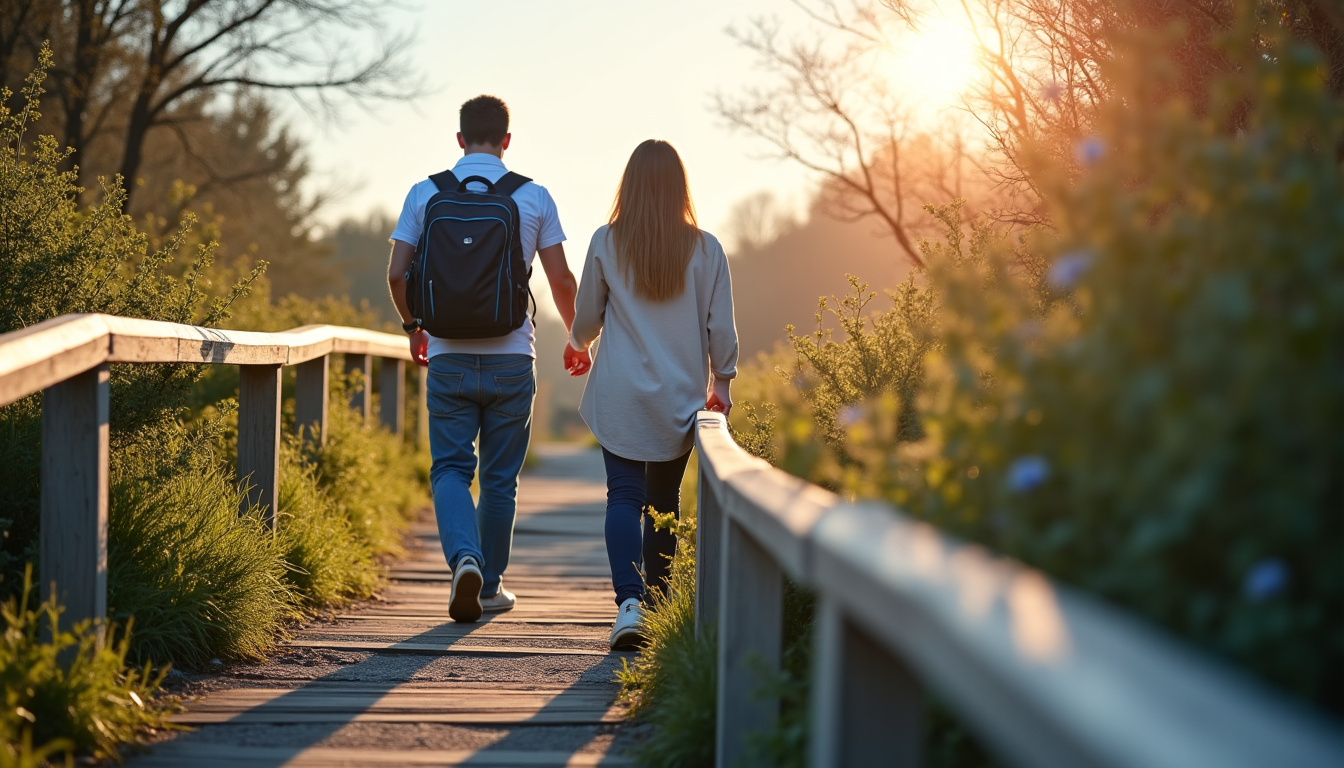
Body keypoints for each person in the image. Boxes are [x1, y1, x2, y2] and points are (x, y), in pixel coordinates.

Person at [386, 95, 586, 622]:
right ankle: (490, 584)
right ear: (506, 141)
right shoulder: (534, 196)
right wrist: (578, 337)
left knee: (451, 469)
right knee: (500, 479)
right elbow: (562, 280)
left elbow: (395, 274)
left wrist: (414, 327)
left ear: (458, 140)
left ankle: (464, 561)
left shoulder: (425, 193)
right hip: (512, 360)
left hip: (448, 356)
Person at [565, 139, 738, 650]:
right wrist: (721, 382)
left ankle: (630, 605)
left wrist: (578, 344)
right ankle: (658, 610)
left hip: (620, 392)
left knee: (623, 496)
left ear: (630, 186)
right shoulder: (707, 249)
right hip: (679, 400)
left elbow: (589, 315)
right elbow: (720, 328)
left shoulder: (607, 241)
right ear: (679, 187)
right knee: (663, 501)